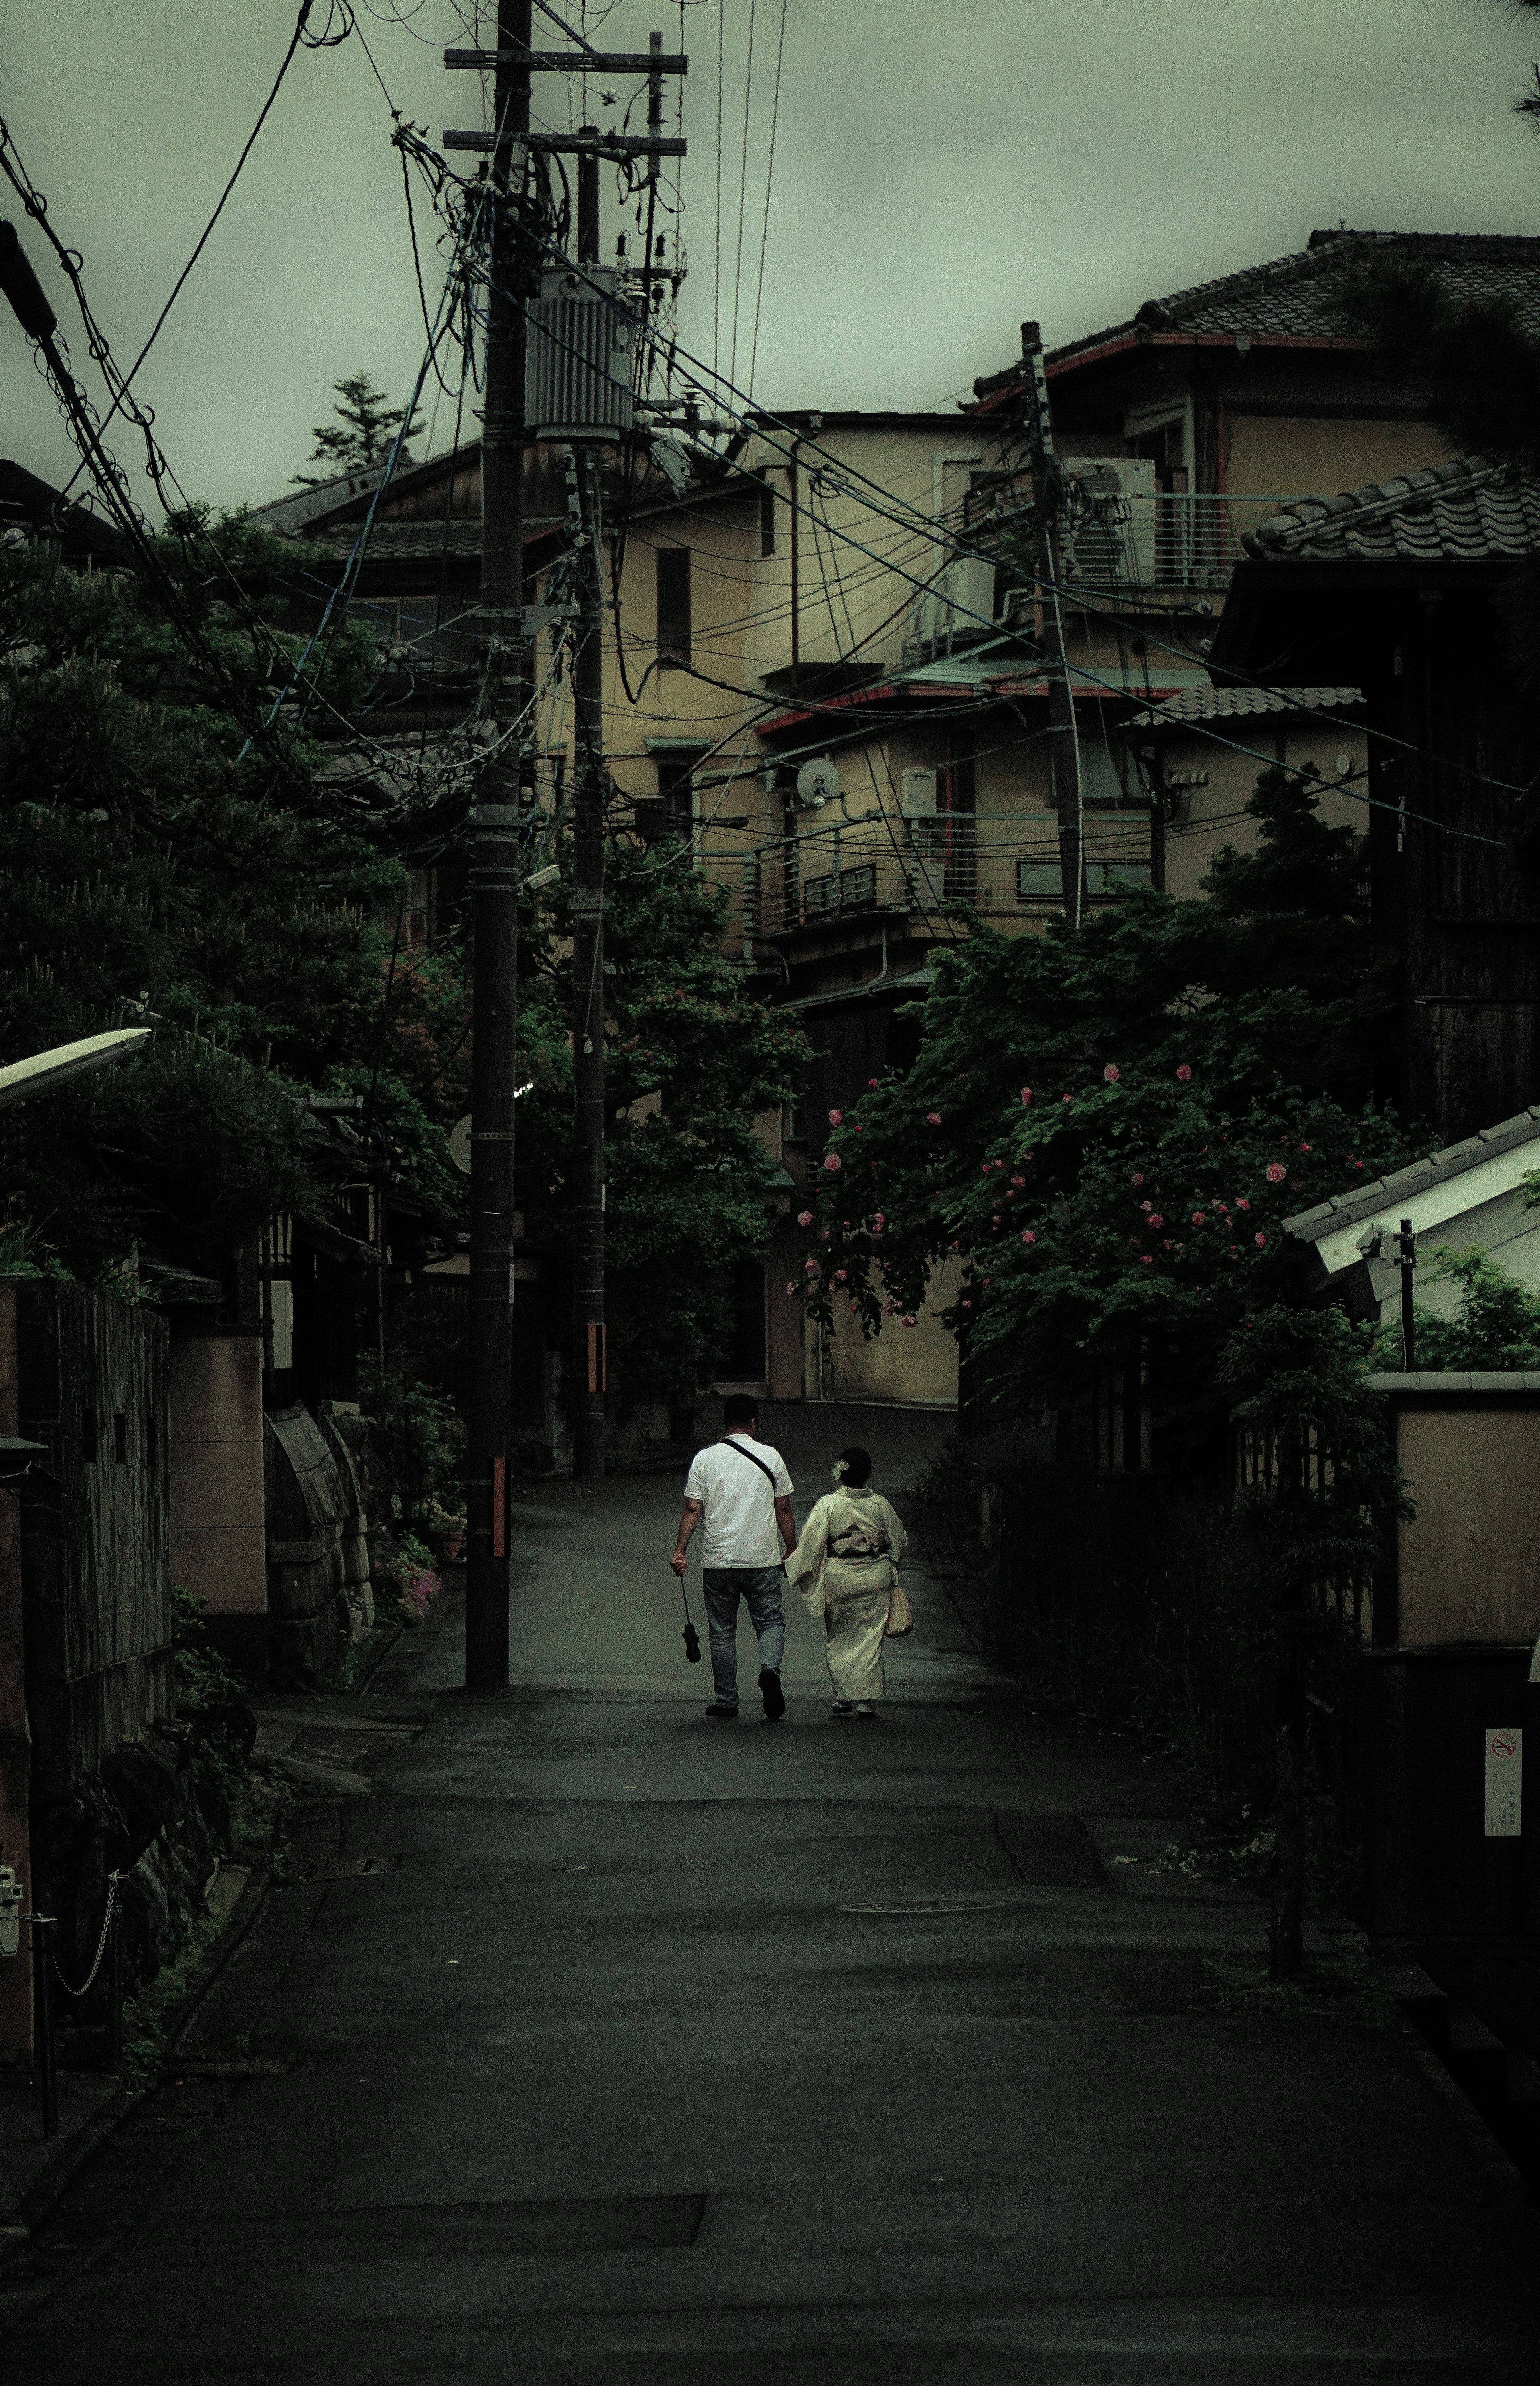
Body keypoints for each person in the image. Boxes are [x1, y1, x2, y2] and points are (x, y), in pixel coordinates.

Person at [671, 1394, 796, 1722]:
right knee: (770, 1621)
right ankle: (770, 1669)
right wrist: (792, 1548)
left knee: (722, 1630)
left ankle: (727, 1701)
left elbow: (692, 1508)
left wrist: (681, 1550)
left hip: (719, 1561)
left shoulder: (705, 1459)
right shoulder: (772, 1456)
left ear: (725, 1423)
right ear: (754, 1422)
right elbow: (783, 1508)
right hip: (762, 1559)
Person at [784, 1445, 907, 1718]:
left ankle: (843, 1697)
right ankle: (865, 1701)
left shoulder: (829, 1505)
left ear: (840, 1473)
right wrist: (892, 1562)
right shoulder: (880, 1505)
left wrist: (794, 1568)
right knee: (870, 1639)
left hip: (840, 1578)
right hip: (875, 1576)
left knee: (841, 1638)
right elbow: (898, 1540)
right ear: (868, 1474)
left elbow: (812, 1545)